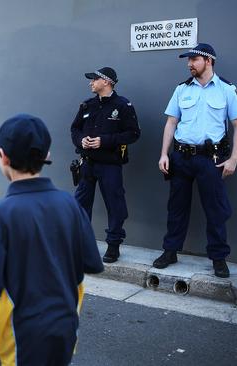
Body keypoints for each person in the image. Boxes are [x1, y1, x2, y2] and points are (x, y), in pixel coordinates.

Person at [0, 114, 103, 366]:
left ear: (3, 157)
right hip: (65, 328)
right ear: (46, 155)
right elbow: (92, 264)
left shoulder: (0, 214)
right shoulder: (70, 205)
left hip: (19, 336)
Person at [156, 43, 237, 278]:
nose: (189, 64)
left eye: (194, 59)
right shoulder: (182, 89)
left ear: (208, 61)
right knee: (176, 208)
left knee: (215, 210)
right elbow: (171, 123)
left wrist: (234, 159)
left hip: (211, 160)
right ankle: (170, 251)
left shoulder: (227, 89)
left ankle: (218, 258)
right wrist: (164, 154)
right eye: (188, 60)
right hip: (181, 158)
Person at [70, 66, 140, 263]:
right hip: (87, 164)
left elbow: (133, 134)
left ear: (107, 82)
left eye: (94, 79)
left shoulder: (123, 106)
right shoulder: (87, 105)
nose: (90, 83)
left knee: (115, 205)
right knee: (81, 206)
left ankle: (113, 246)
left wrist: (104, 141)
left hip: (110, 165)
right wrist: (81, 140)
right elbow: (74, 129)